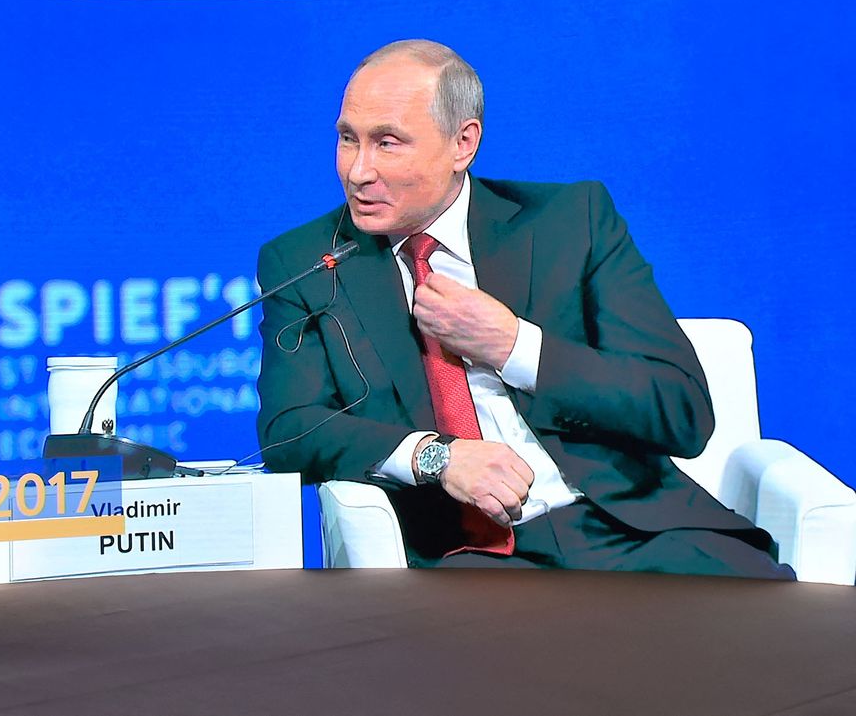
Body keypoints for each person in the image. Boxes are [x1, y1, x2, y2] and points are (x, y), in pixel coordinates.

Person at [256, 39, 792, 579]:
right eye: (348, 139)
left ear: (463, 143)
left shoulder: (570, 222)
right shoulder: (307, 260)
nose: (358, 171)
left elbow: (681, 412)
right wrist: (435, 456)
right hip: (462, 554)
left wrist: (516, 348)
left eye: (387, 143)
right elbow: (290, 429)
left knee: (778, 628)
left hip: (625, 530)